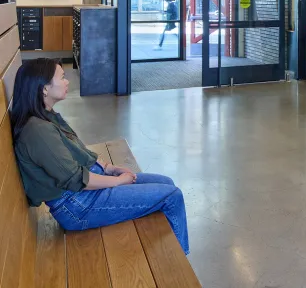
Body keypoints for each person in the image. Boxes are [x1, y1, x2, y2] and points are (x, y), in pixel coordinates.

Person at [10, 58, 189, 252]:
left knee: (166, 182)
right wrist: (119, 181)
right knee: (172, 196)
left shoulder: (47, 116)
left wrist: (110, 168)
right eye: (62, 77)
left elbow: (79, 151)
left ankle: (166, 248)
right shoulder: (38, 131)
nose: (67, 81)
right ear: (44, 88)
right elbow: (78, 180)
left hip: (87, 190)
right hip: (77, 206)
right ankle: (178, 263)